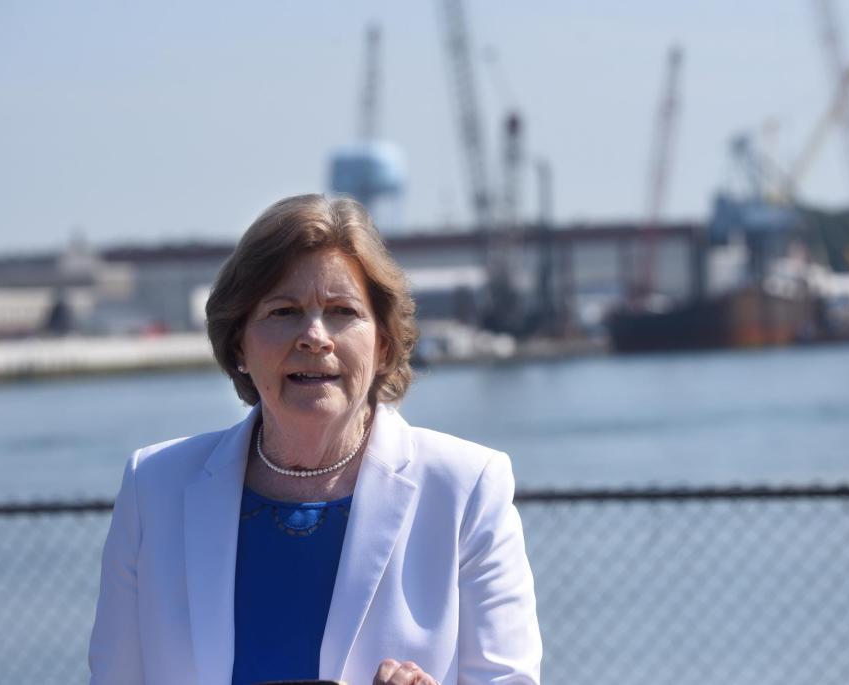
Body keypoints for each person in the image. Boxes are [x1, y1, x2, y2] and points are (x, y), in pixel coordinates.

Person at [88, 194, 542, 685]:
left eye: (342, 311)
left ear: (384, 345)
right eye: (283, 311)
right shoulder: (153, 487)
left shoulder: (466, 488)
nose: (314, 337)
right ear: (239, 342)